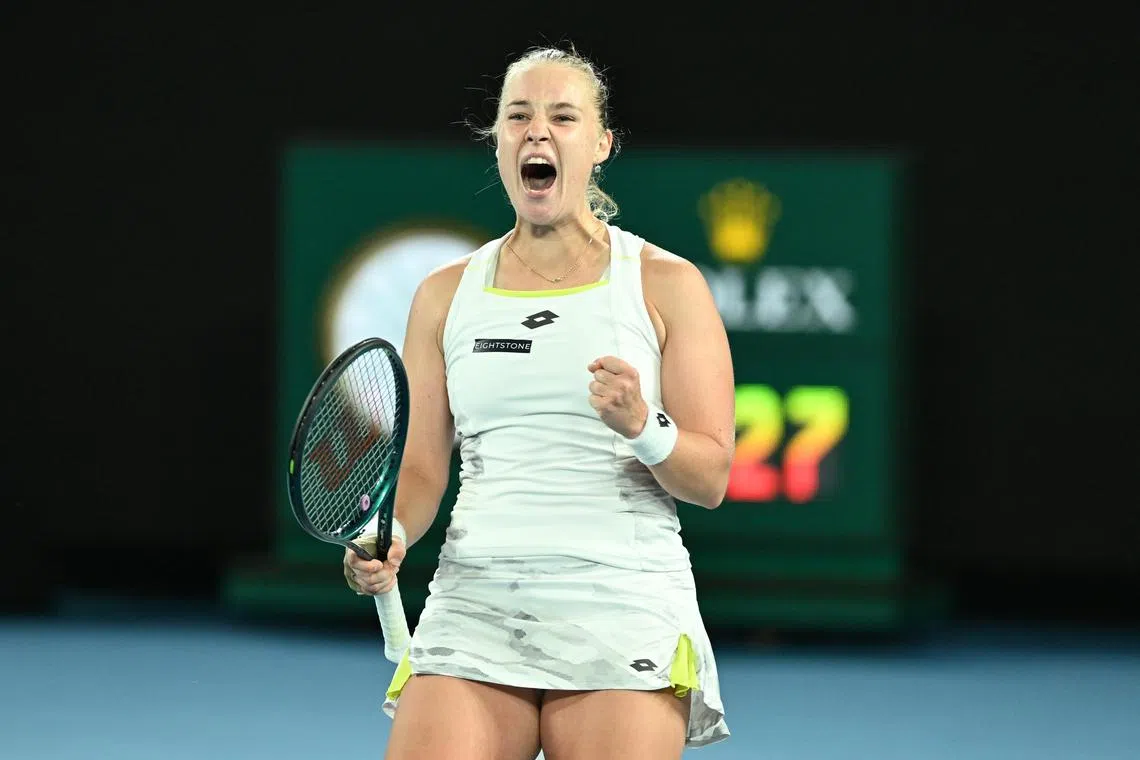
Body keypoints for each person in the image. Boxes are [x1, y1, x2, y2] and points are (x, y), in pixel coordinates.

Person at [345, 43, 736, 760]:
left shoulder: (666, 285)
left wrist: (642, 425)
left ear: (601, 144)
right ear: (497, 141)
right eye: (518, 116)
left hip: (622, 606)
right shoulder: (443, 295)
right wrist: (394, 532)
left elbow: (709, 479)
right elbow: (425, 471)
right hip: (477, 604)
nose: (537, 132)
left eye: (562, 116)